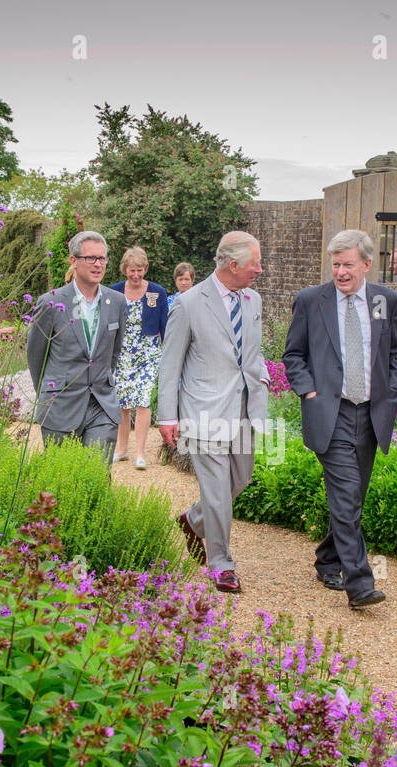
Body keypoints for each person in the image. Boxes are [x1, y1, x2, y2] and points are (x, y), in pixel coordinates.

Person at [283, 229, 397, 609]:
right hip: (330, 413)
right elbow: (293, 355)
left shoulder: (386, 300)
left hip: (371, 414)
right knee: (346, 495)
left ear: (366, 264)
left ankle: (327, 559)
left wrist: (391, 389)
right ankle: (360, 584)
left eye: (348, 265)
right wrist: (309, 392)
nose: (340, 272)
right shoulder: (310, 301)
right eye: (335, 264)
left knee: (352, 496)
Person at [157, 231, 269, 594]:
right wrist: (167, 416)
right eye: (255, 263)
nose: (260, 269)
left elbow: (253, 352)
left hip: (245, 408)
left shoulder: (253, 300)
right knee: (218, 491)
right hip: (203, 410)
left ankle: (192, 520)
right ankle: (221, 565)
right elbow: (169, 364)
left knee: (240, 480)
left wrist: (263, 380)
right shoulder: (189, 303)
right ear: (233, 265)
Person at [26, 230, 126, 464]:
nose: (98, 264)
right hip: (60, 405)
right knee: (62, 477)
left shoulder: (117, 302)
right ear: (74, 260)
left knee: (97, 477)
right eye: (91, 258)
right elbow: (35, 356)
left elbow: (114, 352)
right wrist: (49, 392)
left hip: (101, 404)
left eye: (102, 259)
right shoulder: (52, 302)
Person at [109, 248, 169, 469]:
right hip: (122, 353)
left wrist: (169, 351)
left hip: (148, 353)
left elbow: (165, 326)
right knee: (122, 403)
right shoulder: (114, 292)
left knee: (143, 400)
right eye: (132, 270)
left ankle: (141, 453)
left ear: (146, 268)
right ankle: (122, 449)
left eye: (140, 270)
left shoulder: (156, 292)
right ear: (124, 269)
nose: (136, 275)